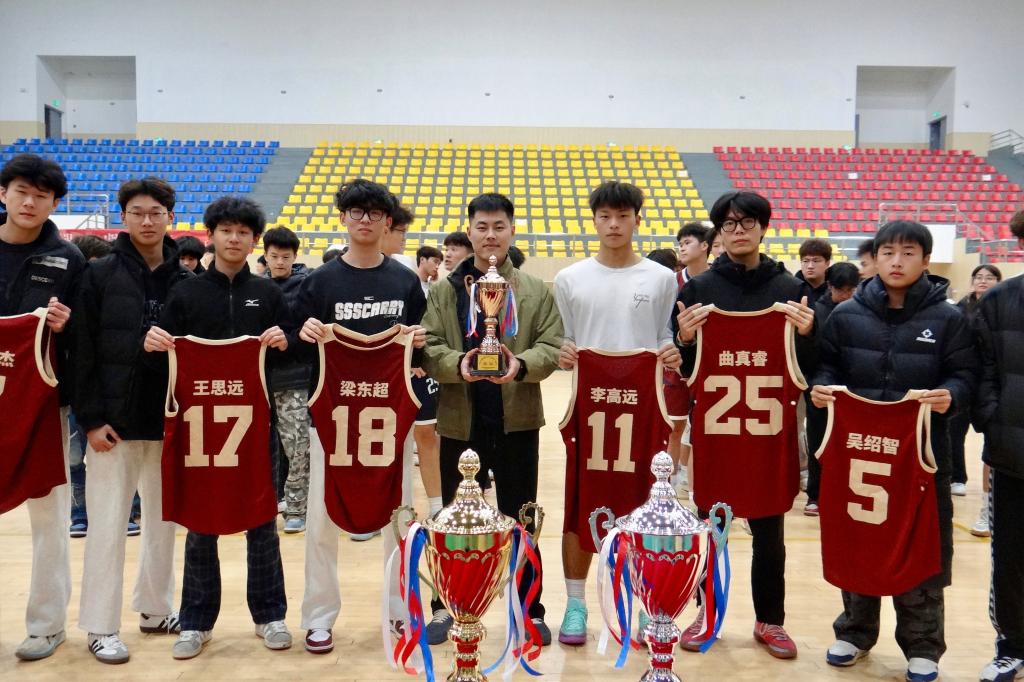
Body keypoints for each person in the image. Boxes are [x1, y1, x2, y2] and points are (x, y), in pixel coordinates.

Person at [810, 220, 976, 682]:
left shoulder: (948, 318)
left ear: (926, 260)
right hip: (859, 454)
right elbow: (825, 366)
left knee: (923, 547)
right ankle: (854, 631)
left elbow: (965, 374)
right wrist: (821, 388)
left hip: (922, 454)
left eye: (908, 252)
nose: (897, 261)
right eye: (888, 253)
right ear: (874, 259)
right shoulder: (846, 315)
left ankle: (923, 645)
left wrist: (951, 395)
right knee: (859, 539)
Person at [144, 196, 291, 659]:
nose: (234, 238)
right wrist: (154, 342)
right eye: (226, 230)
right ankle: (195, 621)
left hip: (256, 426)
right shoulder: (186, 293)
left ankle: (270, 615)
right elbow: (163, 359)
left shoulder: (269, 294)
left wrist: (284, 339)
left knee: (262, 522)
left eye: (244, 232)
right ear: (211, 235)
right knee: (200, 524)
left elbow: (291, 353)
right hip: (200, 427)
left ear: (254, 241)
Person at [673, 190, 816, 660]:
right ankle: (706, 613)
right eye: (730, 224)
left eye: (748, 222)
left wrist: (808, 333)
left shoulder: (790, 288)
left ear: (763, 227)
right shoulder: (697, 290)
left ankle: (770, 620)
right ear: (719, 232)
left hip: (768, 434)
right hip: (717, 435)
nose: (739, 231)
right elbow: (687, 369)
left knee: (770, 536)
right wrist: (685, 339)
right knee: (711, 533)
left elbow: (809, 365)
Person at [421, 192, 562, 646]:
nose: (490, 235)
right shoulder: (445, 290)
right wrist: (458, 364)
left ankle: (529, 608)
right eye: (481, 227)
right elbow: (429, 346)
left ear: (512, 231)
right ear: (470, 232)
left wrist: (520, 365)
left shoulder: (534, 289)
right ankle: (447, 606)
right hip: (460, 420)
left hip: (518, 419)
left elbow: (552, 345)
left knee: (522, 517)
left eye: (499, 226)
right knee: (455, 520)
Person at [293, 178, 426, 655]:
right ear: (343, 218)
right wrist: (303, 331)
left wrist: (420, 343)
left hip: (390, 419)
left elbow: (420, 351)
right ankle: (318, 616)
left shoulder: (405, 282)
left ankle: (399, 610)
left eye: (373, 212)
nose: (364, 220)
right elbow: (294, 345)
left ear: (388, 221)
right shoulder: (318, 282)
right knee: (321, 517)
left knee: (399, 516)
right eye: (356, 211)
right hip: (332, 416)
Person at [553, 181, 680, 645]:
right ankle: (575, 604)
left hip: (643, 407)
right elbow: (564, 339)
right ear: (594, 221)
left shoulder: (661, 279)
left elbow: (664, 335)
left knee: (646, 505)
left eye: (622, 216)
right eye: (605, 216)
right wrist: (564, 352)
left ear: (636, 221)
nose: (613, 224)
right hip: (588, 407)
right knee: (579, 504)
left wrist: (670, 351)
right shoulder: (570, 279)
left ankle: (645, 602)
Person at [73, 177, 192, 663]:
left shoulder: (187, 281)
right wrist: (90, 419)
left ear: (170, 218)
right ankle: (100, 624)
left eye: (156, 213)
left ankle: (155, 609)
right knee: (106, 526)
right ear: (123, 217)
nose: (147, 221)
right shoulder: (98, 275)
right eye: (137, 212)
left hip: (168, 423)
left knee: (164, 523)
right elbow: (80, 350)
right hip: (113, 425)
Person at [0, 154, 87, 662]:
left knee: (50, 516)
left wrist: (65, 325)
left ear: (55, 203)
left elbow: (83, 335)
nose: (30, 202)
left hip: (41, 404)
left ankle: (47, 624)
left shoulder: (68, 260)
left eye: (41, 195)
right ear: (3, 194)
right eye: (21, 191)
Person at [975, 210, 1024, 682]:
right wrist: (994, 419)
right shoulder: (999, 300)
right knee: (1011, 558)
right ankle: (1013, 646)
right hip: (1013, 456)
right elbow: (982, 372)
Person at [262, 226, 312, 533]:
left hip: (295, 379)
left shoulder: (307, 288)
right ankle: (262, 506)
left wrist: (289, 342)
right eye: (274, 256)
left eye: (285, 256)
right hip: (258, 381)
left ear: (295, 256)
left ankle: (296, 508)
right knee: (259, 450)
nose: (280, 262)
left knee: (298, 447)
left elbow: (309, 335)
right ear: (265, 256)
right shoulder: (254, 287)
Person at [803, 261, 860, 517]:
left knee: (849, 445)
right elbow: (810, 352)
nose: (846, 295)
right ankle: (814, 495)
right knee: (819, 443)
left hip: (853, 391)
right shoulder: (817, 311)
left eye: (851, 290)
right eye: (840, 290)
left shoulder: (862, 311)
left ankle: (846, 494)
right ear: (829, 286)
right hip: (821, 388)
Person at [949, 264, 1001, 502]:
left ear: (998, 282)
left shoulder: (1002, 309)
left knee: (993, 435)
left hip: (991, 381)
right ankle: (957, 477)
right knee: (955, 430)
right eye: (978, 277)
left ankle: (990, 493)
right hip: (966, 378)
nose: (983, 281)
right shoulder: (959, 310)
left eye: (989, 277)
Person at [797, 238, 832, 307]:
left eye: (816, 261)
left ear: (827, 263)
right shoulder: (792, 289)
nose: (810, 266)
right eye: (806, 261)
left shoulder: (834, 291)